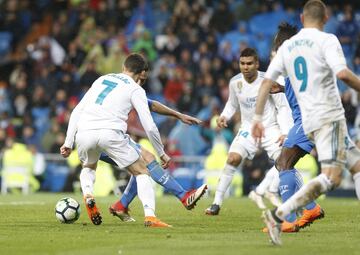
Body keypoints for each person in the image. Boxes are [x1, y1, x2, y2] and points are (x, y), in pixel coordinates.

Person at [252, 0, 360, 245]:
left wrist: (257, 118)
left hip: (310, 119)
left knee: (351, 166)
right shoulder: (327, 40)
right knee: (320, 172)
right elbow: (342, 73)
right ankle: (285, 215)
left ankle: (283, 215)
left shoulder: (288, 48)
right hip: (327, 115)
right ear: (326, 17)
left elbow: (267, 83)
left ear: (302, 18)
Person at [60, 53, 171, 227]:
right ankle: (150, 217)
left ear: (124, 67)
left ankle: (88, 195)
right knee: (142, 171)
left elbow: (77, 110)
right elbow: (149, 126)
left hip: (84, 131)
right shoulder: (136, 89)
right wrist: (161, 152)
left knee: (88, 167)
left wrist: (68, 142)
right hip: (110, 132)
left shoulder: (102, 79)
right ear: (142, 73)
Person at [100, 72, 207, 222]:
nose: (141, 83)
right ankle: (182, 196)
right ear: (135, 74)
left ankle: (121, 205)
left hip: (95, 136)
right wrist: (161, 152)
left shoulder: (112, 85)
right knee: (147, 160)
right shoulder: (128, 89)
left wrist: (179, 115)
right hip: (106, 137)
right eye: (141, 79)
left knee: (141, 164)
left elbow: (152, 105)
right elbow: (147, 124)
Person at [205, 47, 292, 216]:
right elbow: (232, 104)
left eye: (249, 63)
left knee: (286, 162)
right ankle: (216, 203)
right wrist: (224, 116)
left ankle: (284, 199)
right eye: (242, 63)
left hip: (270, 128)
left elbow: (282, 107)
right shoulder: (235, 83)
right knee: (232, 158)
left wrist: (284, 131)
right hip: (248, 129)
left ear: (257, 64)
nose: (245, 67)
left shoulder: (269, 80)